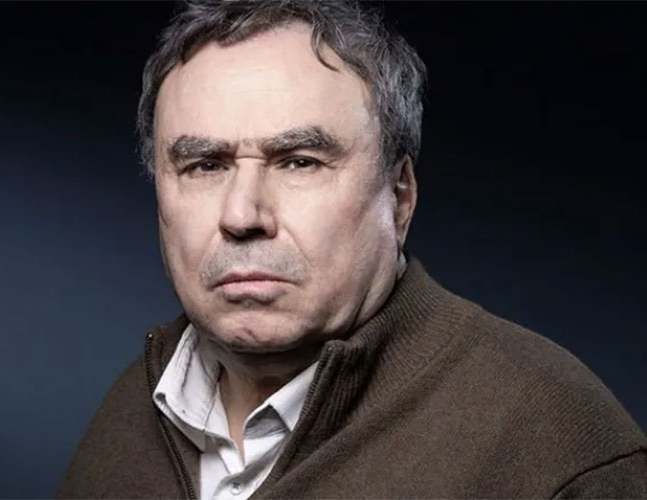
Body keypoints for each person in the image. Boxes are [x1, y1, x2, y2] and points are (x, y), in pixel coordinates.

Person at [57, 1, 647, 498]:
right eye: (205, 165)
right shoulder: (130, 415)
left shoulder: (553, 445)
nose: (242, 216)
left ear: (400, 195)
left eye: (299, 162)